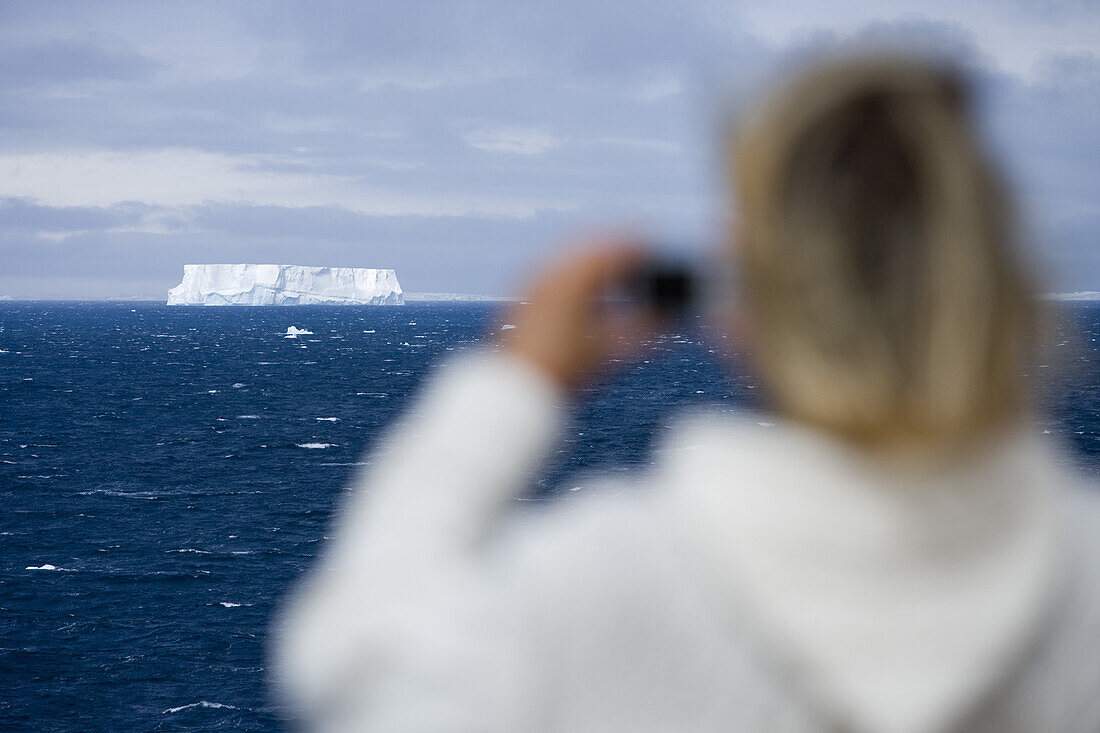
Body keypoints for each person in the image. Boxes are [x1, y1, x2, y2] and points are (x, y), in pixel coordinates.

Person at [273, 55, 1100, 733]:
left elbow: (351, 661)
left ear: (739, 304)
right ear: (1000, 281)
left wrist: (513, 386)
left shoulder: (596, 581)